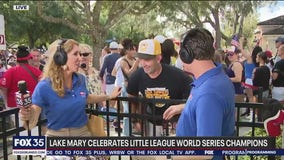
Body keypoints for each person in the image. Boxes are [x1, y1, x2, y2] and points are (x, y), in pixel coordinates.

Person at [19, 39, 120, 139]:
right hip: (57, 139)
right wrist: (26, 116)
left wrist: (109, 96)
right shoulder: (44, 86)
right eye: (75, 54)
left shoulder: (80, 79)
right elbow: (31, 123)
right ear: (60, 58)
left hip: (83, 135)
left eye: (80, 54)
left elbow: (87, 97)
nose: (80, 58)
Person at [168, 27, 235, 160]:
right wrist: (185, 107)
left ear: (187, 55)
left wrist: (166, 156)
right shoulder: (215, 76)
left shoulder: (209, 94)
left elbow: (205, 152)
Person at [127, 39, 192, 137]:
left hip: (175, 125)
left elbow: (195, 95)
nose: (143, 63)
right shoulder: (136, 77)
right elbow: (131, 97)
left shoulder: (178, 76)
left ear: (158, 58)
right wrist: (135, 120)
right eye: (140, 59)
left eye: (147, 59)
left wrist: (182, 110)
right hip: (151, 124)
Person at [112, 38, 139, 136]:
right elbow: (129, 74)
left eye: (135, 49)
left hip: (135, 89)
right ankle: (126, 134)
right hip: (126, 88)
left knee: (134, 111)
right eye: (132, 49)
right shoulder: (123, 61)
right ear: (127, 50)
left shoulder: (135, 59)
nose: (134, 51)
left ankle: (131, 131)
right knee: (127, 111)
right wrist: (136, 64)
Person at [0, 46, 42, 110]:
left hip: (14, 107)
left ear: (16, 58)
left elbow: (3, 88)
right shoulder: (37, 72)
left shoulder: (10, 71)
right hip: (33, 106)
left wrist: (6, 102)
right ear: (29, 58)